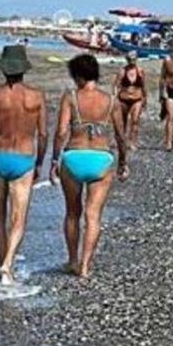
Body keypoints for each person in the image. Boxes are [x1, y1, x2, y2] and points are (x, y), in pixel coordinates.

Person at [50, 54, 129, 279]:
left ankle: (72, 260)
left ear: (78, 76)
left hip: (74, 156)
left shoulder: (71, 97)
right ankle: (86, 265)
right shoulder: (111, 100)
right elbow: (121, 136)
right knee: (93, 216)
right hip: (101, 159)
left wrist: (55, 160)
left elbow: (61, 132)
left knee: (72, 213)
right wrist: (123, 162)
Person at [0, 45, 47, 284]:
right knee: (19, 217)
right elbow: (43, 133)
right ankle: (8, 265)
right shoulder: (37, 96)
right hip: (24, 158)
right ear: (23, 69)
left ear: (4, 69)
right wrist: (40, 163)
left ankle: (2, 263)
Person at [113, 51, 147, 150]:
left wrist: (145, 98)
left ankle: (132, 142)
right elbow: (116, 85)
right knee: (123, 121)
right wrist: (114, 98)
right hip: (124, 99)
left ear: (136, 59)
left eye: (133, 59)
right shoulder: (122, 71)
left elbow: (144, 86)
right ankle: (122, 140)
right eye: (130, 59)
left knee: (135, 121)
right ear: (127, 60)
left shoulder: (140, 71)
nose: (132, 61)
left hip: (137, 99)